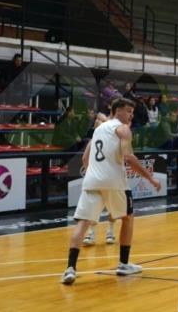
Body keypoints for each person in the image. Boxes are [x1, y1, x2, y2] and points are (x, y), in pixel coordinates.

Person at [60, 98, 160, 285]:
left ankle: (70, 269)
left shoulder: (97, 130)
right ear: (117, 111)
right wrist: (151, 178)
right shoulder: (123, 130)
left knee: (83, 223)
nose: (131, 115)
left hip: (92, 180)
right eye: (129, 111)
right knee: (128, 217)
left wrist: (95, 173)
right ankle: (123, 264)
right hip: (114, 181)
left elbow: (84, 158)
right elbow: (129, 158)